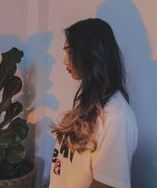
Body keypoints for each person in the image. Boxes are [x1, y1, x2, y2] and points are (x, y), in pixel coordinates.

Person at [48, 18, 138, 188]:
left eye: (70, 52)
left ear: (91, 53)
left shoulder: (116, 116)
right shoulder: (88, 102)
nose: (65, 61)